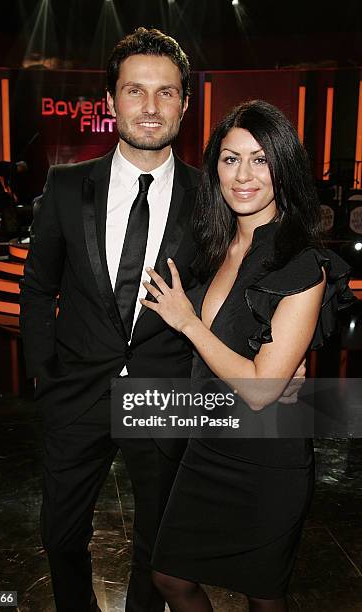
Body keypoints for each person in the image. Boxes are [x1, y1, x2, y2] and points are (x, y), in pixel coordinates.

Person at [140, 100, 355, 611]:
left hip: (267, 459)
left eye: (261, 160)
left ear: (282, 169)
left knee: (264, 596)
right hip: (207, 445)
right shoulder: (213, 247)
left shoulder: (301, 262)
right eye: (231, 159)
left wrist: (188, 323)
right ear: (214, 168)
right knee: (169, 577)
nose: (244, 175)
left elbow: (261, 389)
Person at [19, 27, 198, 612]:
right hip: (76, 393)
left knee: (159, 542)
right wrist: (44, 374)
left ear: (185, 103)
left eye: (166, 93)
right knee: (61, 535)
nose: (150, 107)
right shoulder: (68, 187)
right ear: (111, 101)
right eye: (135, 91)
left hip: (165, 394)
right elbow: (40, 286)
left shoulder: (210, 197)